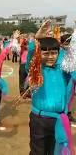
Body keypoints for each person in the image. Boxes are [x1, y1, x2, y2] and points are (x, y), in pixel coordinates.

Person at [27, 20, 75, 155]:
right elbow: (32, 55)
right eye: (45, 53)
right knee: (38, 151)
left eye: (54, 53)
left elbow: (70, 60)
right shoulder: (35, 70)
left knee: (55, 150)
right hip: (39, 120)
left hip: (59, 120)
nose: (50, 57)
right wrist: (37, 40)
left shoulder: (64, 70)